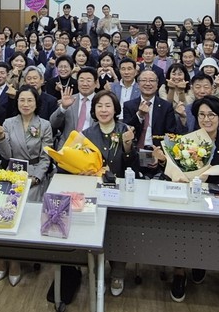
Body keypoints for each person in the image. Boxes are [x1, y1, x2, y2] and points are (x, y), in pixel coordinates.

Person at [152, 95, 219, 302]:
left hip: (212, 199)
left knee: (206, 227)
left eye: (211, 115)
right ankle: (179, 272)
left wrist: (208, 183)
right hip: (185, 198)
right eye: (202, 115)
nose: (206, 119)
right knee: (180, 225)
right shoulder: (185, 142)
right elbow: (171, 174)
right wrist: (164, 161)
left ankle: (200, 261)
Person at [0, 85, 54, 286]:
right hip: (12, 172)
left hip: (34, 175)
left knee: (25, 211)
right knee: (3, 210)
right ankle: (1, 255)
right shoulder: (8, 123)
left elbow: (46, 158)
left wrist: (36, 178)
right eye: (22, 100)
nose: (25, 104)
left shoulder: (44, 125)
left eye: (30, 100)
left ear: (36, 103)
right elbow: (6, 155)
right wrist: (1, 137)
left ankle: (15, 260)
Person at [81, 90, 137, 296]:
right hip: (94, 190)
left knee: (119, 232)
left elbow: (133, 165)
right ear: (94, 110)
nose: (103, 110)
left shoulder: (125, 130)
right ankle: (96, 273)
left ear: (115, 109)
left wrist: (128, 145)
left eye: (108, 106)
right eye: (99, 106)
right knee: (95, 233)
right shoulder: (87, 134)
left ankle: (118, 273)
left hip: (119, 190)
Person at [50, 67, 98, 147]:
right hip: (68, 147)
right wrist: (63, 108)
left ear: (96, 83)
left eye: (88, 80)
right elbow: (53, 123)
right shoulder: (69, 99)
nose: (84, 84)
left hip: (92, 147)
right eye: (81, 80)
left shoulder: (100, 101)